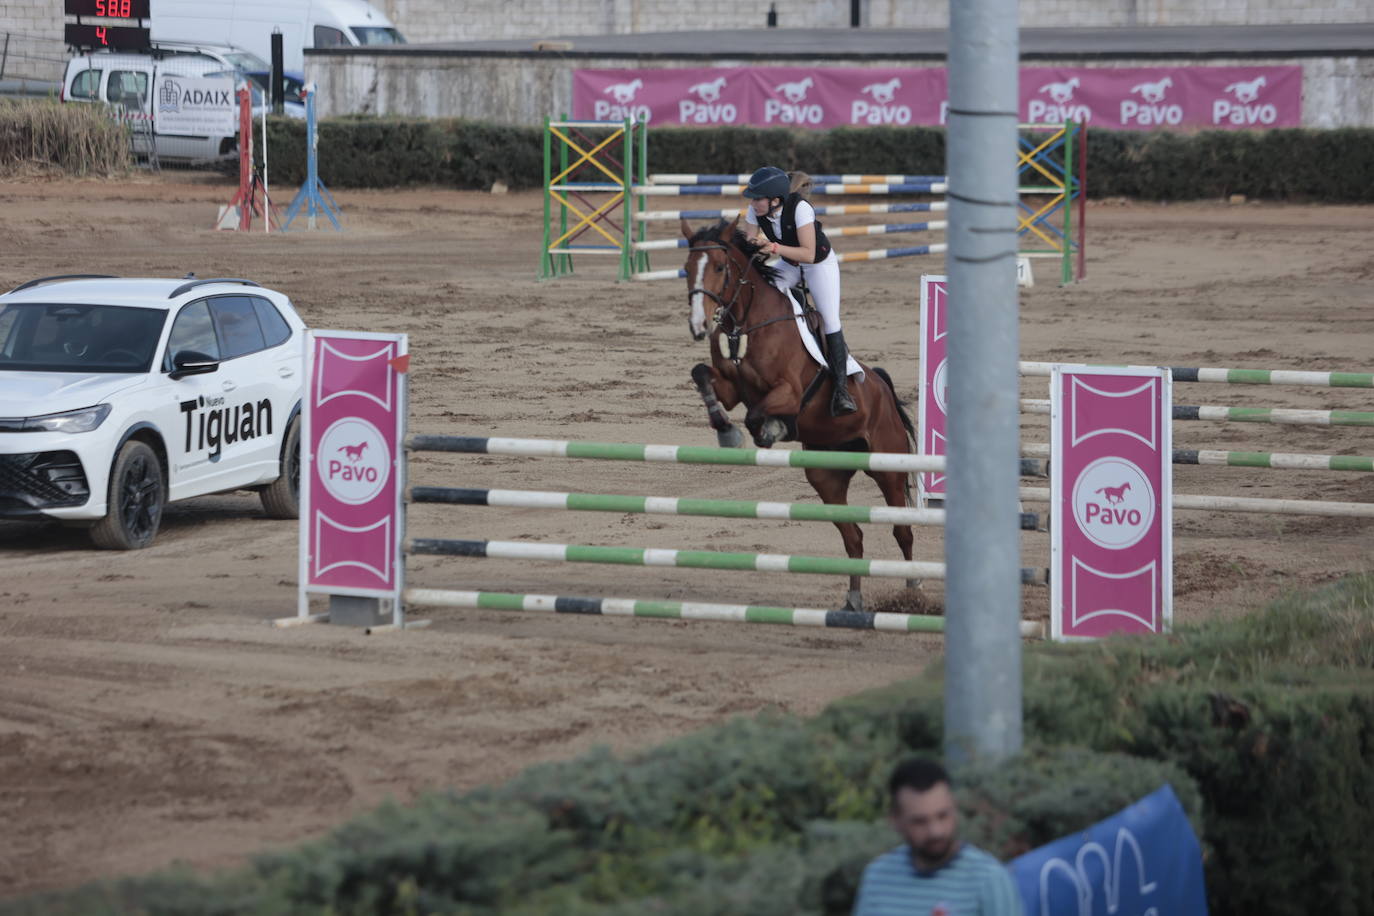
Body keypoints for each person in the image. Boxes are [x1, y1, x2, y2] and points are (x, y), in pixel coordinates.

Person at [741, 165, 856, 416]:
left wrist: (771, 247)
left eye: (757, 198)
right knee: (765, 294)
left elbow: (808, 253)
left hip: (818, 264)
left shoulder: (801, 209)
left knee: (830, 320)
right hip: (790, 264)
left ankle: (841, 390)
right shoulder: (755, 210)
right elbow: (750, 241)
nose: (752, 202)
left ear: (775, 200)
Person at [852, 757, 1023, 916]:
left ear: (954, 807)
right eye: (920, 821)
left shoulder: (989, 880)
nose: (936, 831)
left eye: (943, 815)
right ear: (895, 820)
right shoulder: (878, 878)